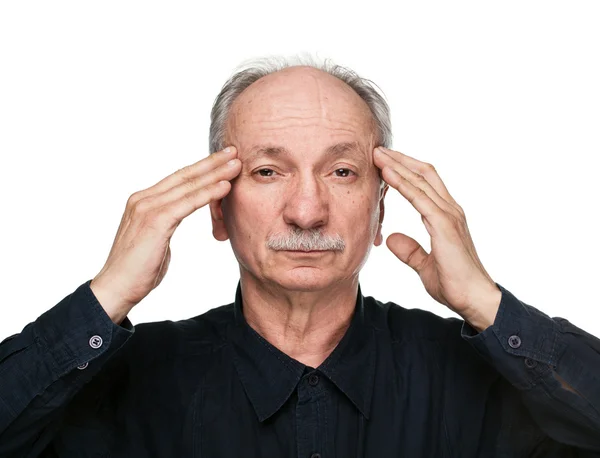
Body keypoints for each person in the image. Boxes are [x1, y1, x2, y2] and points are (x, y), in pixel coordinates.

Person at [1, 55, 599, 458]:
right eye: (267, 171)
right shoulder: (124, 385)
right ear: (217, 209)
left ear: (380, 211)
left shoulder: (481, 383)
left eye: (342, 171)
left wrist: (489, 305)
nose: (307, 212)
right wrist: (105, 297)